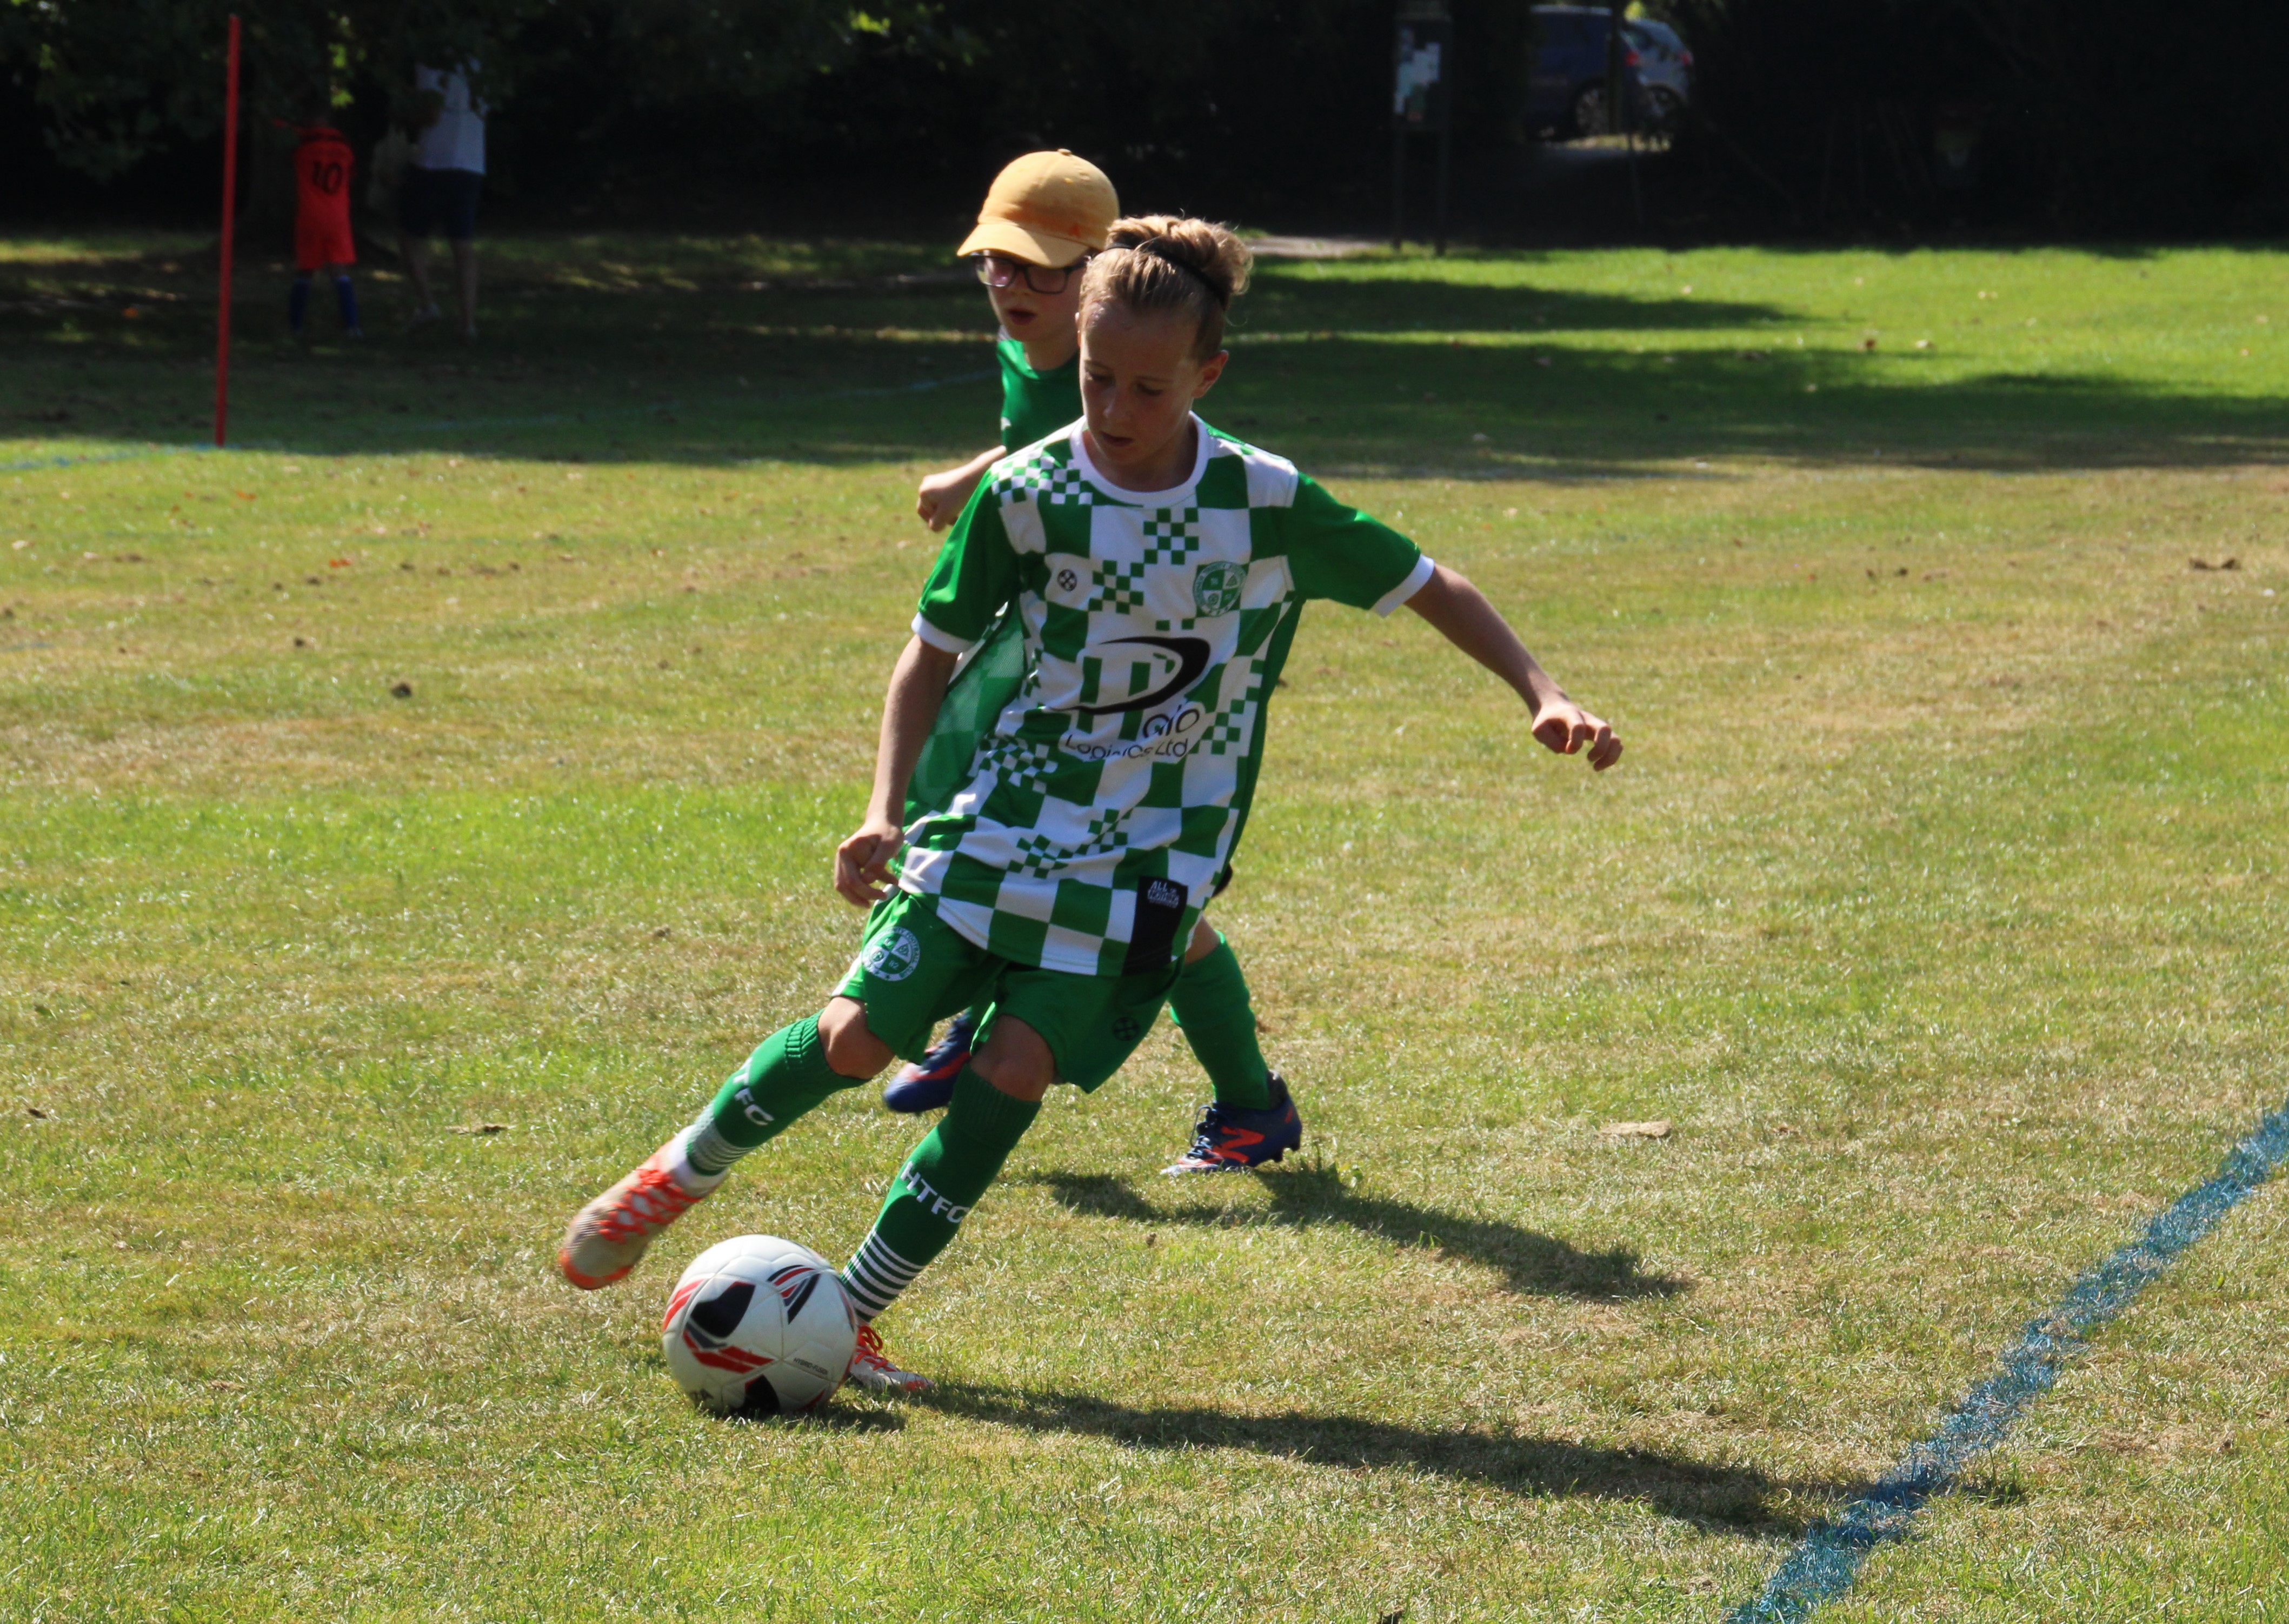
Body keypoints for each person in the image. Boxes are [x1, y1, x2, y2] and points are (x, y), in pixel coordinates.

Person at [557, 216, 1622, 1396]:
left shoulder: (1264, 500)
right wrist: (882, 806)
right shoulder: (1027, 490)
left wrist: (1541, 689)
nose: (1113, 408)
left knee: (1012, 1069)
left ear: (1207, 375)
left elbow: (1428, 581)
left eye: (1146, 387)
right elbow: (929, 653)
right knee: (858, 1036)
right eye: (1094, 377)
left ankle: (849, 1313)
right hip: (1001, 819)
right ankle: (675, 1176)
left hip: (1148, 859)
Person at [893, 152, 1303, 1180]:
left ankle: (1234, 1096)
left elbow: (1089, 456)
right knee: (1103, 884)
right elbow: (1041, 449)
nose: (1011, 285)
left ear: (1093, 276)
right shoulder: (1034, 351)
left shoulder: (1106, 364)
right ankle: (1235, 1097)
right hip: (1050, 655)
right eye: (995, 262)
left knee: (1131, 894)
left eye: (1039, 267)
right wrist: (977, 471)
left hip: (1136, 675)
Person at [396, 62, 485, 340]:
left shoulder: (431, 65)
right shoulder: (480, 67)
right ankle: (467, 323)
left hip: (434, 162)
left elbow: (431, 115)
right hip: (471, 162)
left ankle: (427, 304)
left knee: (410, 236)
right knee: (463, 245)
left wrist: (407, 109)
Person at [285, 115, 362, 339]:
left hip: (311, 214)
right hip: (337, 215)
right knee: (340, 270)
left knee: (306, 269)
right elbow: (352, 174)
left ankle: (296, 325)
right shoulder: (344, 146)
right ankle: (353, 325)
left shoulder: (303, 145)